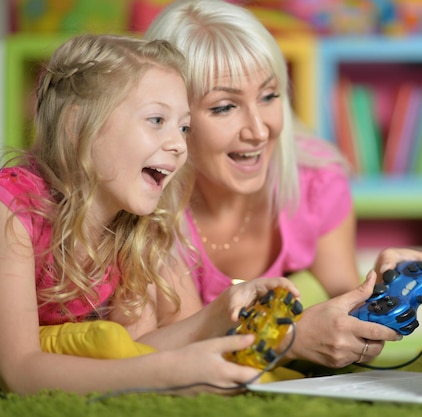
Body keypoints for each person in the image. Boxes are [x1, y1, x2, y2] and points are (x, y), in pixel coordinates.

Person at [145, 0, 422, 370]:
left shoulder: (315, 179)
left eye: (269, 96)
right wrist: (288, 340)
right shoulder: (147, 202)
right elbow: (180, 356)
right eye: (225, 107)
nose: (260, 130)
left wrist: (381, 288)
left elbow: (345, 298)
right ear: (172, 118)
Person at [0, 33, 301, 396]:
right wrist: (168, 375)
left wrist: (217, 314)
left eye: (184, 127)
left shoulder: (135, 227)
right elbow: (20, 371)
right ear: (76, 126)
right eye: (157, 120)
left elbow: (136, 351)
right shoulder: (12, 213)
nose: (178, 144)